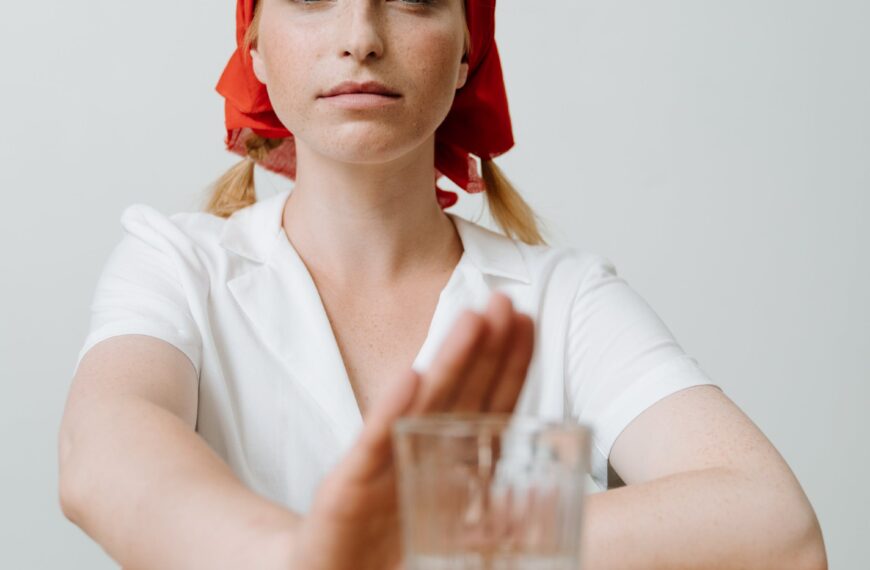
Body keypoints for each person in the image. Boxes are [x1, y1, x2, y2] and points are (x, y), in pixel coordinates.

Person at [58, 1, 827, 568]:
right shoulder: (179, 264)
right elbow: (105, 456)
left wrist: (433, 524)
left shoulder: (564, 299)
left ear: (468, 53)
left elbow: (774, 525)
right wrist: (306, 556)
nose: (360, 37)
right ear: (254, 48)